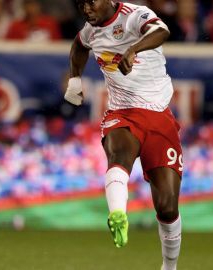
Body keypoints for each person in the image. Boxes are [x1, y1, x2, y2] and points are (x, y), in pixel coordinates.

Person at [65, 1, 182, 270]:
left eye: (91, 2)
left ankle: (169, 267)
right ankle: (117, 212)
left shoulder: (133, 16)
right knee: (119, 155)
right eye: (81, 3)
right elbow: (79, 46)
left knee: (166, 207)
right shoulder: (90, 31)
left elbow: (161, 30)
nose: (86, 9)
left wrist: (133, 49)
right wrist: (74, 80)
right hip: (122, 112)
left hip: (158, 116)